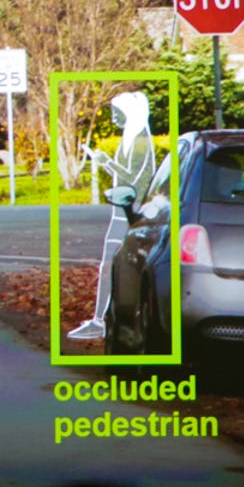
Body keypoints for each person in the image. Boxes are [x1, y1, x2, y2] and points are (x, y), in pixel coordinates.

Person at [68, 91, 156, 340]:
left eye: (117, 113)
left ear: (129, 113)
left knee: (116, 265)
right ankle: (103, 319)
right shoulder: (131, 138)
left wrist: (107, 161)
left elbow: (134, 178)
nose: (114, 117)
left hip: (130, 212)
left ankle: (105, 320)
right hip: (122, 210)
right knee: (110, 265)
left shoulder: (140, 141)